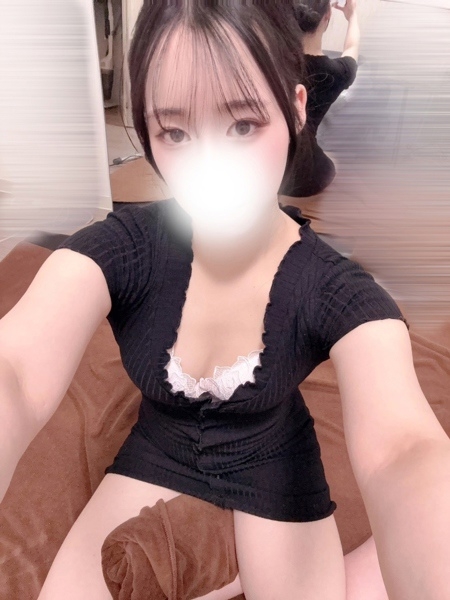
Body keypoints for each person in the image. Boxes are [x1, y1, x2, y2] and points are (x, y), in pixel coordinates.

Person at [0, 2, 449, 599]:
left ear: (295, 108)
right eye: (176, 133)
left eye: (242, 125)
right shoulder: (125, 248)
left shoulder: (331, 288)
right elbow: (17, 369)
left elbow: (403, 448)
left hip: (274, 462)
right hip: (158, 447)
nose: (211, 168)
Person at [279, 0, 360, 198]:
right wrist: (352, 16)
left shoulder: (265, 64)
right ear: (327, 16)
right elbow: (352, 47)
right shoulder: (339, 73)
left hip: (265, 175)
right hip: (309, 179)